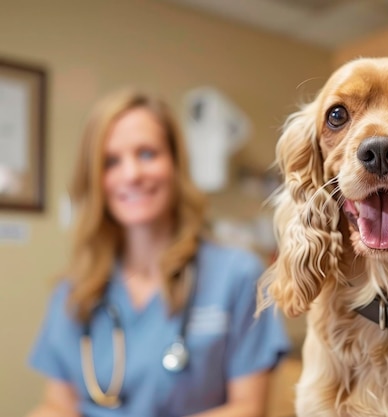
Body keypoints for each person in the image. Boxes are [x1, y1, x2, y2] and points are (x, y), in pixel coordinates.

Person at [27, 88, 290, 417]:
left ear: (176, 164)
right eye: (111, 161)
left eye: (147, 153)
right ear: (95, 178)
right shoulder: (74, 290)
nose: (132, 174)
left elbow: (247, 409)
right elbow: (57, 404)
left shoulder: (237, 275)